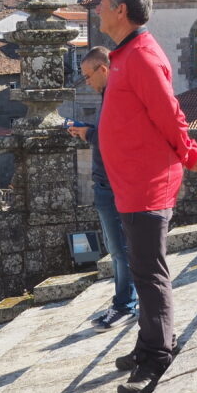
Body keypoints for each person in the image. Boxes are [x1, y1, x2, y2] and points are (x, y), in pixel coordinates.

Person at [97, 0, 197, 393]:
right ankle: (147, 344)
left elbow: (170, 115)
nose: (97, 7)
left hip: (148, 185)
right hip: (130, 185)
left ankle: (158, 355)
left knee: (150, 271)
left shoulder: (141, 56)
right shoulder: (124, 54)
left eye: (102, 1)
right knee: (141, 268)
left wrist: (194, 157)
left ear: (120, 10)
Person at [67, 46, 138, 331]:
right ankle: (127, 302)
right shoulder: (111, 95)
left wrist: (88, 133)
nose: (86, 82)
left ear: (103, 69)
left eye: (87, 75)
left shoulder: (118, 97)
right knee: (118, 248)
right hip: (107, 182)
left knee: (120, 249)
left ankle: (125, 305)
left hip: (112, 184)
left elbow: (119, 137)